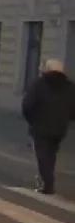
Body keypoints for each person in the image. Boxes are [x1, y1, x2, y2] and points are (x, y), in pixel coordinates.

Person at [22, 59, 75, 195]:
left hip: (40, 125)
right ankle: (47, 181)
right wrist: (66, 120)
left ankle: (48, 184)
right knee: (51, 154)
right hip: (60, 128)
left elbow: (27, 105)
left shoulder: (39, 84)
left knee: (42, 155)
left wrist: (32, 120)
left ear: (48, 69)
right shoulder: (70, 87)